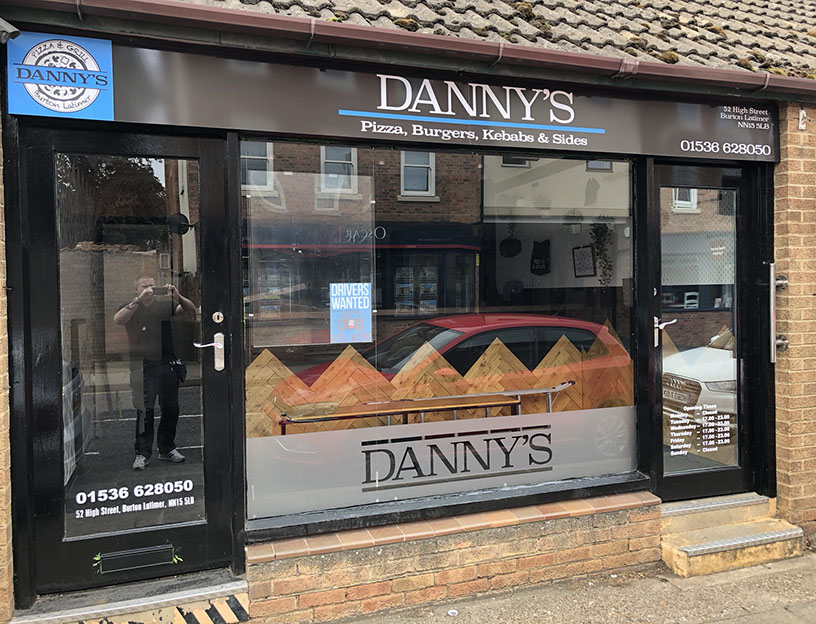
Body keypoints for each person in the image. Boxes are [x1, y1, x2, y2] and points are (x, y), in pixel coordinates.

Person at [114, 275, 196, 470]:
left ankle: (167, 448)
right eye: (145, 286)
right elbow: (118, 319)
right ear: (136, 289)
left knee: (171, 409)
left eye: (152, 286)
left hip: (167, 365)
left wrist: (177, 296)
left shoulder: (164, 306)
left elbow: (190, 308)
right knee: (145, 411)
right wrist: (138, 300)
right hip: (142, 367)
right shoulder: (131, 306)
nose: (149, 289)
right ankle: (142, 453)